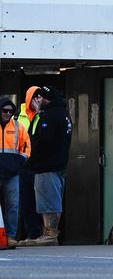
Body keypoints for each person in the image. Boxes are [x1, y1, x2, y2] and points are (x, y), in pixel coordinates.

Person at [24, 86, 72, 246]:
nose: (36, 101)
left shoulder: (49, 116)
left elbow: (41, 141)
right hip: (59, 165)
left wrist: (32, 161)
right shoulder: (64, 114)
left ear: (44, 98)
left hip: (46, 166)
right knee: (55, 200)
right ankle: (50, 233)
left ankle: (49, 234)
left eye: (38, 98)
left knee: (48, 201)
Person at [0, 97, 31, 248]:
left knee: (13, 205)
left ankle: (10, 236)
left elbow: (26, 147)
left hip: (12, 173)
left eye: (10, 111)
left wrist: (19, 163)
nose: (7, 113)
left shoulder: (19, 127)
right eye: (4, 111)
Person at [17, 86, 43, 243]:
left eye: (39, 97)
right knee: (26, 200)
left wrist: (40, 111)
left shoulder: (43, 114)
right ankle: (30, 232)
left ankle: (41, 232)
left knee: (40, 199)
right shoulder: (18, 116)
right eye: (35, 97)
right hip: (24, 164)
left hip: (39, 164)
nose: (37, 100)